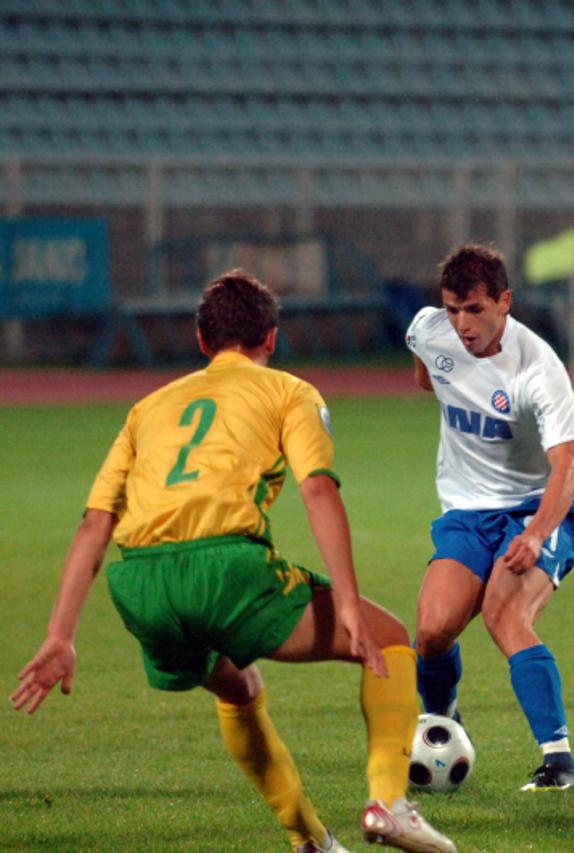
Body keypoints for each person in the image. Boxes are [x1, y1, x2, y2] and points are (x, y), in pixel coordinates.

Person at [10, 270, 456, 853]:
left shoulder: (146, 408)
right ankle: (388, 803)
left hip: (142, 586)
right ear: (270, 339)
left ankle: (310, 840)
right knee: (392, 639)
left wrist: (60, 636)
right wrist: (347, 602)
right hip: (225, 569)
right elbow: (318, 490)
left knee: (236, 687)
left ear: (201, 339)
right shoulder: (289, 392)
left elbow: (96, 524)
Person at [405, 244, 574, 792]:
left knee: (504, 616)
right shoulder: (427, 330)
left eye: (476, 310)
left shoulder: (538, 368)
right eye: (453, 309)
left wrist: (536, 535)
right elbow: (425, 377)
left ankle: (559, 760)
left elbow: (570, 466)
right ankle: (442, 725)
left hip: (537, 510)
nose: (463, 324)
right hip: (466, 513)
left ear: (505, 302)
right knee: (432, 632)